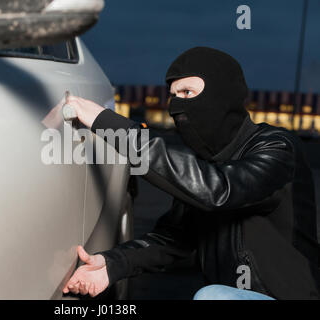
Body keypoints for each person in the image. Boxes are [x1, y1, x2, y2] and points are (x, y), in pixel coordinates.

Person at [48, 47, 320, 300]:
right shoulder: (206, 165)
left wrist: (108, 124)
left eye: (188, 93)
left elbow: (220, 191)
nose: (177, 106)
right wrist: (112, 264)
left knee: (212, 296)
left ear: (221, 95)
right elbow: (173, 240)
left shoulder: (276, 148)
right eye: (173, 95)